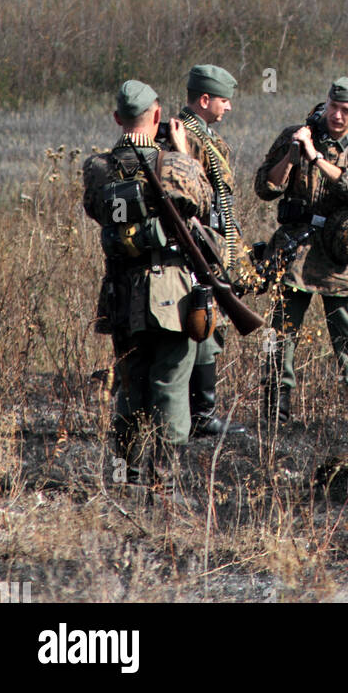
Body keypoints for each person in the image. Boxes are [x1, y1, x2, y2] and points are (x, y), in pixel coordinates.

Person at [82, 80, 212, 484]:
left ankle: (124, 474)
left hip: (122, 294)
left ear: (117, 119)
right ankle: (165, 479)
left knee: (130, 386)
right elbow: (207, 202)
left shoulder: (98, 168)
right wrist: (183, 151)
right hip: (172, 294)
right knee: (171, 384)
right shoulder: (177, 165)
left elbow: (96, 210)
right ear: (157, 117)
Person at [254, 77, 348, 431]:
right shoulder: (294, 134)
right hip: (294, 254)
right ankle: (275, 418)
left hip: (338, 261)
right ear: (325, 103)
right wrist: (293, 156)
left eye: (345, 110)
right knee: (280, 338)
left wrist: (316, 157)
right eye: (332, 106)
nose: (337, 115)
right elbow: (265, 186)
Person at [175, 63, 245, 437]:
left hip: (211, 242)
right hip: (196, 245)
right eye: (223, 100)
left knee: (207, 320)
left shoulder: (201, 135)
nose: (228, 107)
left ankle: (199, 412)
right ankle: (198, 415)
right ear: (204, 100)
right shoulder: (183, 135)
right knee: (201, 321)